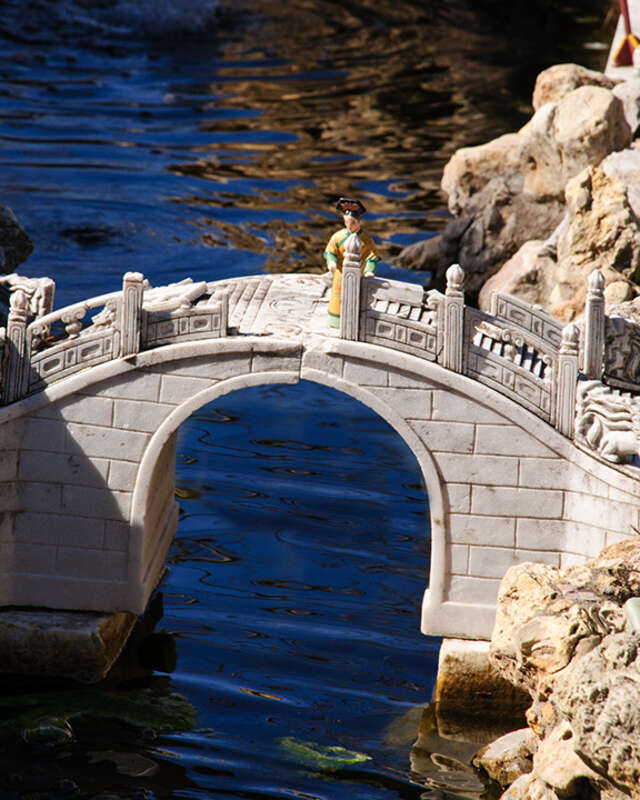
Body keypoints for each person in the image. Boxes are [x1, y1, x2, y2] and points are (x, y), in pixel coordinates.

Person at [324, 197, 380, 328]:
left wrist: (369, 270)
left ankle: (354, 321)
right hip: (340, 272)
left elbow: (372, 256)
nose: (350, 225)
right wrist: (331, 262)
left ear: (358, 221)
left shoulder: (366, 238)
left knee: (357, 298)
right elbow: (330, 251)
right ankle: (335, 320)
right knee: (337, 298)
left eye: (353, 222)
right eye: (347, 222)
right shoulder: (338, 237)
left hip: (358, 273)